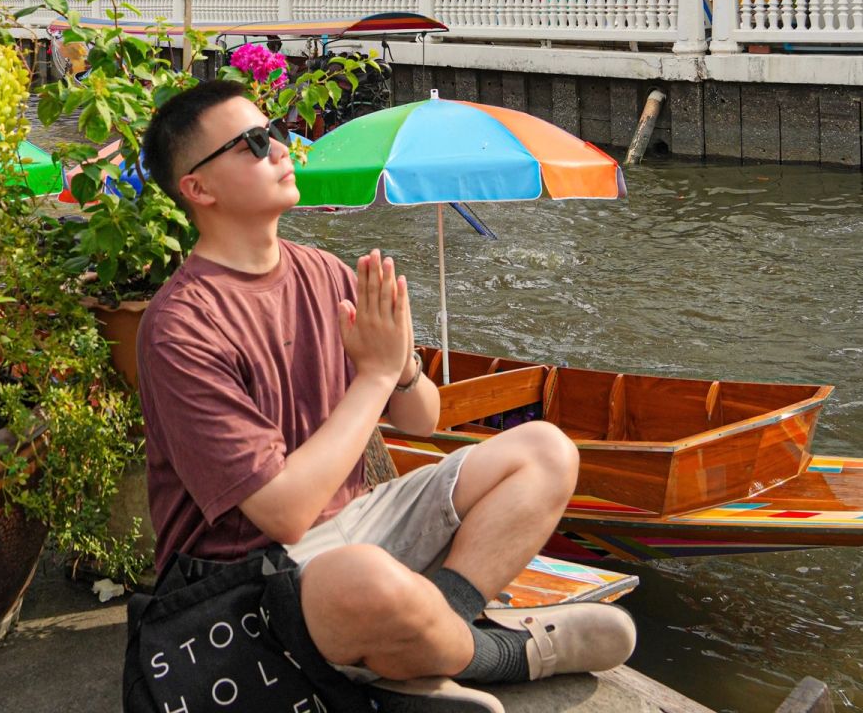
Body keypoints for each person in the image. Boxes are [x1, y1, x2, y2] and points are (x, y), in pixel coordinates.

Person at [138, 81, 635, 692]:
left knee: (546, 451)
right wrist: (373, 375)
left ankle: (427, 638)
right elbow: (285, 515)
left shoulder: (324, 274)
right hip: (250, 579)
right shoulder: (181, 325)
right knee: (364, 580)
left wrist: (399, 367)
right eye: (254, 143)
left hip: (360, 524)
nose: (280, 149)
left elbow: (422, 421)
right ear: (198, 188)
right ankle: (494, 655)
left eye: (277, 132)